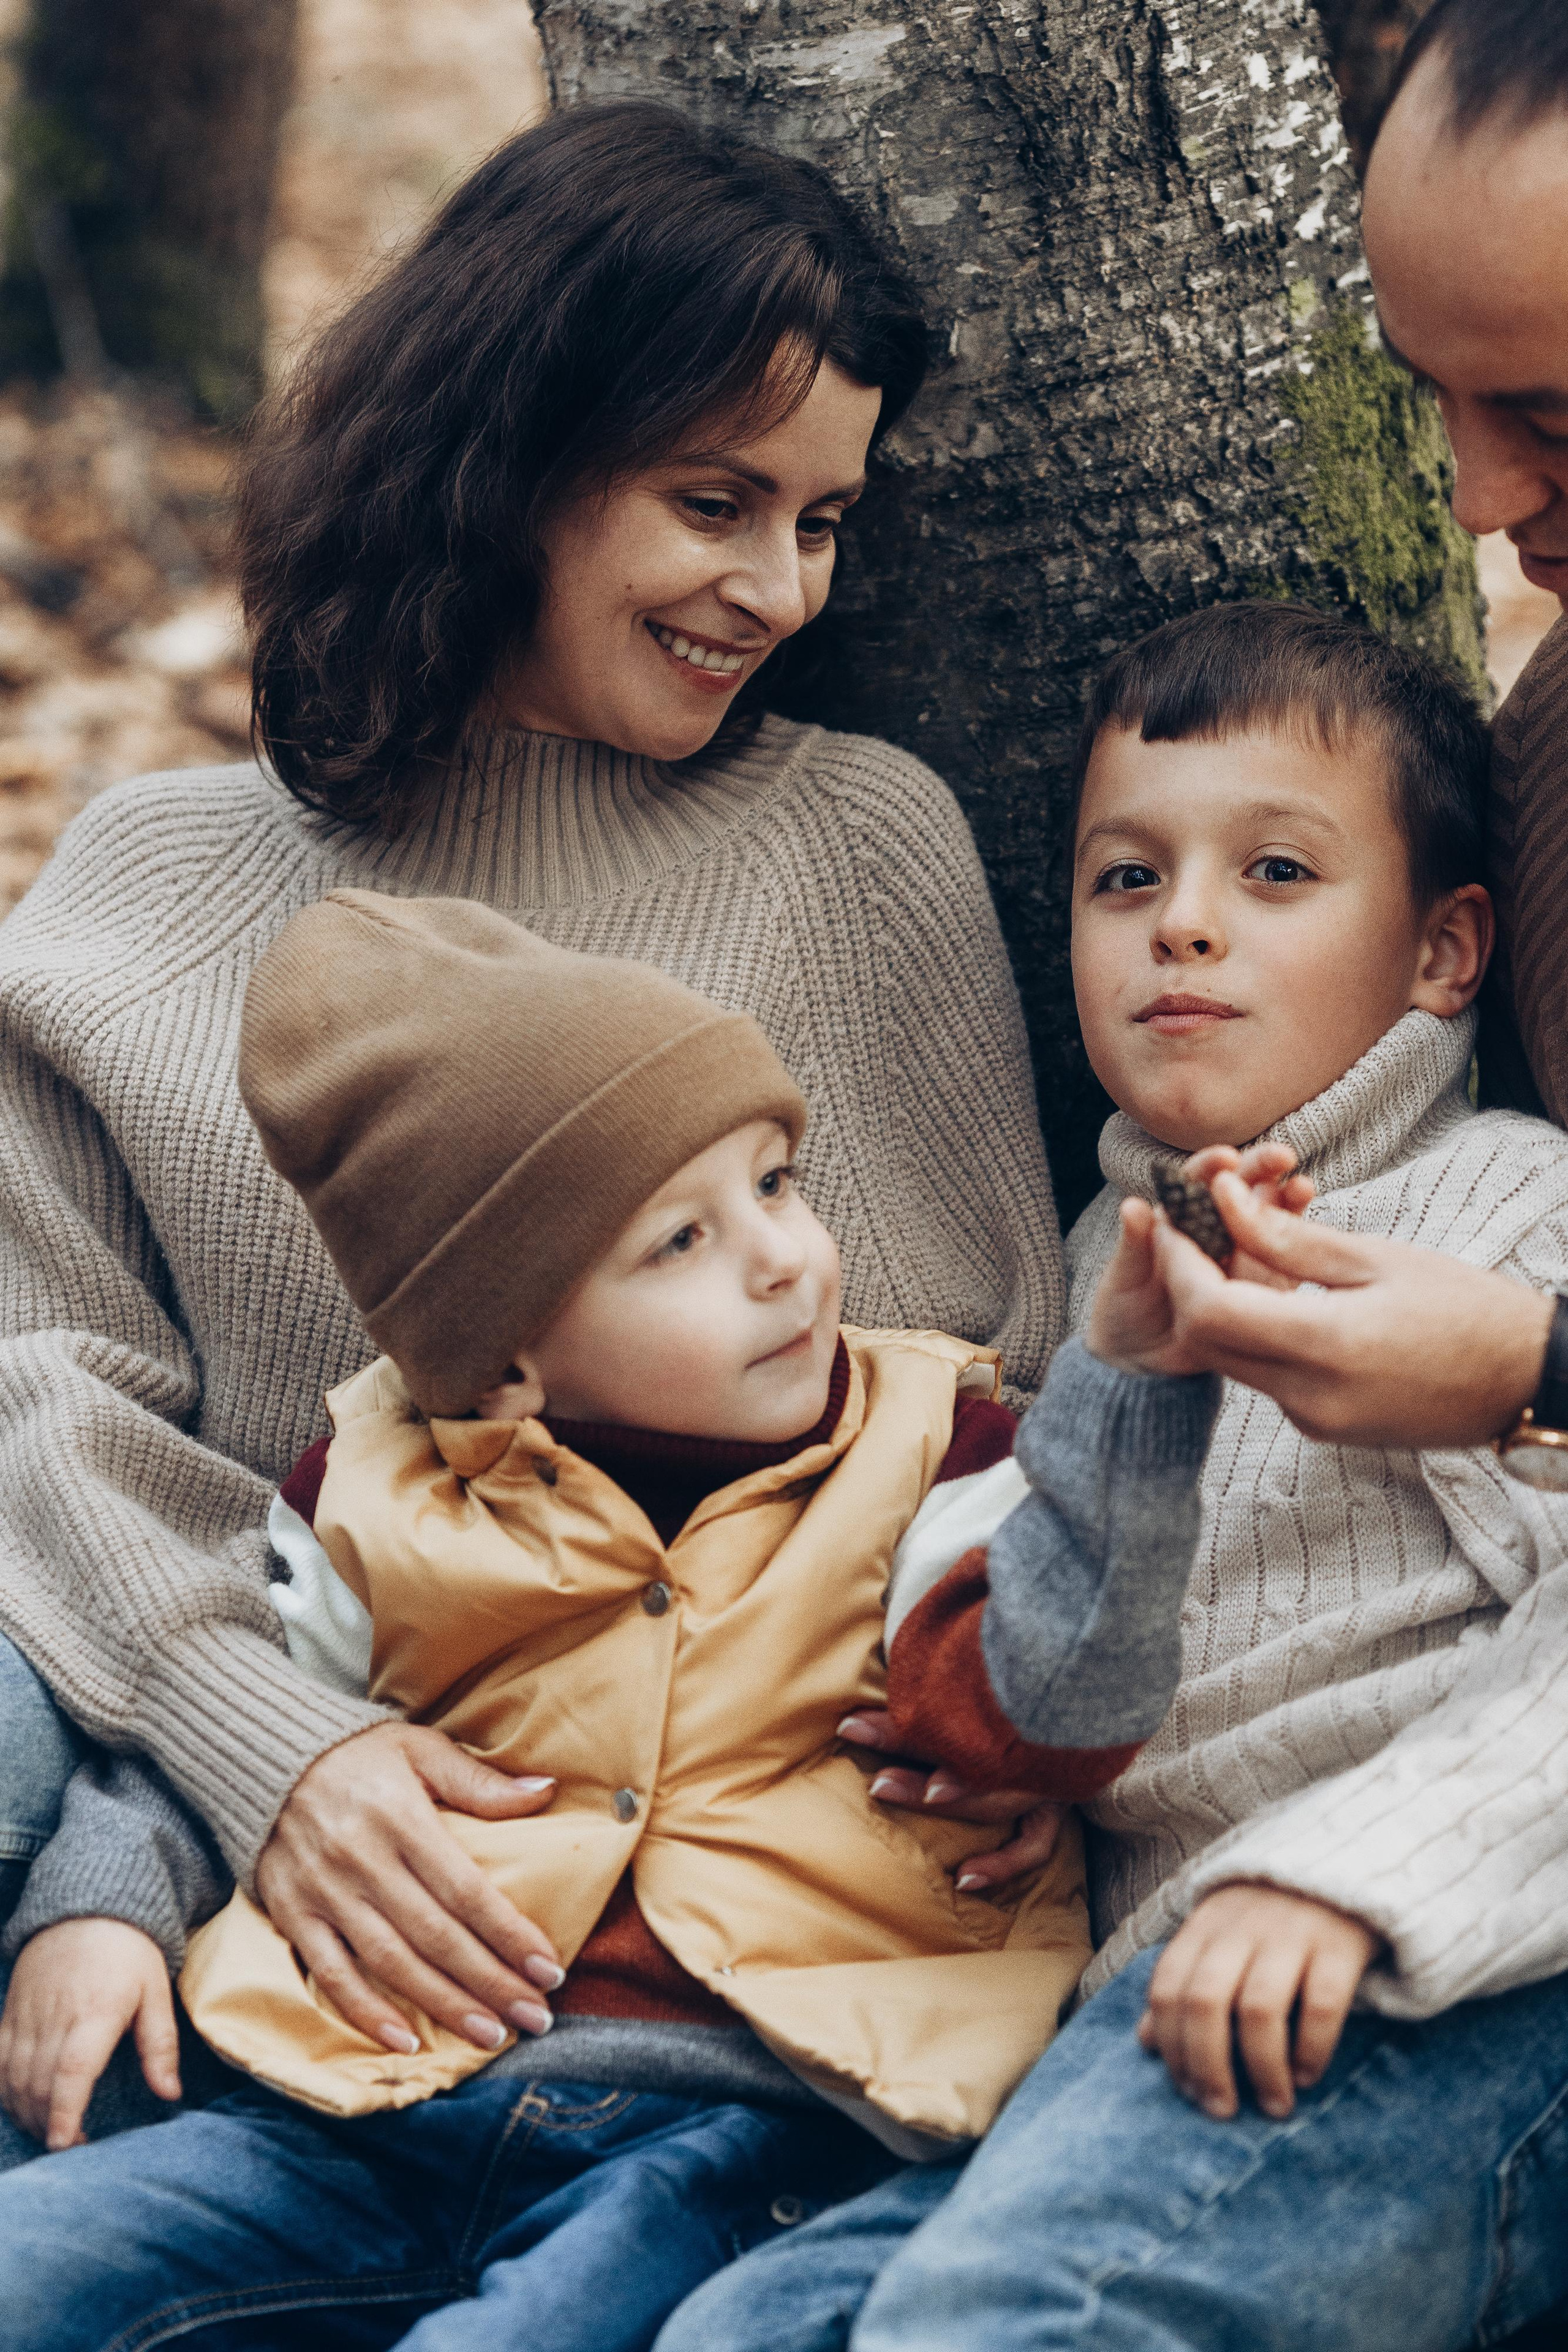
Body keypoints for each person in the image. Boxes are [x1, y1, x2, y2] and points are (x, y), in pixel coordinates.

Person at [0, 97, 1068, 2144]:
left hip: (692, 1908)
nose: (778, 588)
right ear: (502, 462)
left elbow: (977, 1381)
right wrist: (266, 1756)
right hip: (191, 1756)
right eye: (713, 501)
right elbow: (39, 1397)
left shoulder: (859, 851)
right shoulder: (151, 884)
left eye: (822, 520)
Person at [0, 891, 1218, 2351]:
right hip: (363, 2099)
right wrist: (102, 1902)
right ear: (504, 1360)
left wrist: (1124, 1402)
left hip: (744, 2124)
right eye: (680, 1240)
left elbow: (1042, 1709)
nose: (780, 1257)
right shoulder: (369, 1488)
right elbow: (235, 1737)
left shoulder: (934, 1448)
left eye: (775, 1182)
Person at [658, 601, 1568, 2352]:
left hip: (1456, 1964)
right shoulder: (1090, 1264)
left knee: (1007, 2322)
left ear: (1445, 953)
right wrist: (1018, 1761)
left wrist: (1365, 1872)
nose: (1184, 924)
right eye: (1125, 879)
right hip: (1139, 2005)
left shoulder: (1501, 1212)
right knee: (742, 2329)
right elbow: (1051, 1621)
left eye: (1275, 874)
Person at [1142, 0, 1568, 1453]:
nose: (1476, 499)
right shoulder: (1540, 763)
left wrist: (1535, 1373)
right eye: (1430, 392)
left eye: (1550, 422)